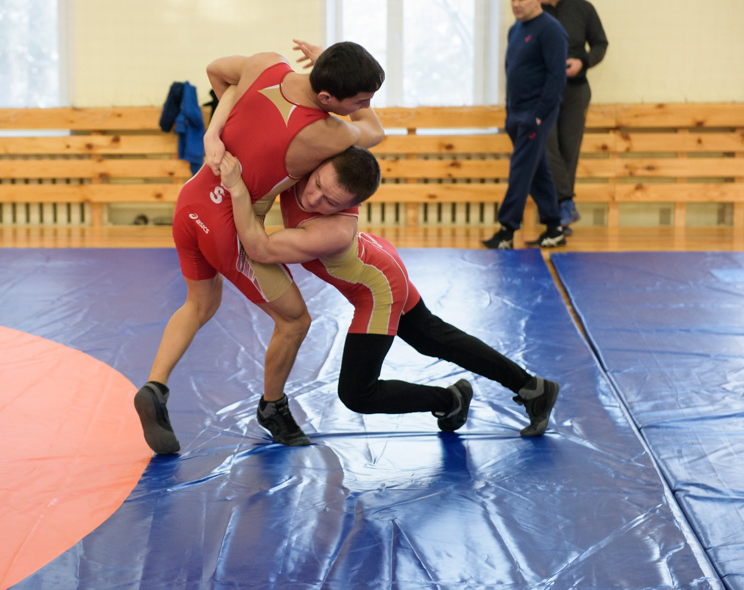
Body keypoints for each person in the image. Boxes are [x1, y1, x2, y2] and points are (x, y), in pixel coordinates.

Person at [134, 41, 385, 455]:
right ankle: (272, 407)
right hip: (228, 222)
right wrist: (348, 88)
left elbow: (217, 71)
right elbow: (374, 131)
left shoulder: (266, 63)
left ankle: (155, 386)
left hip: (191, 200)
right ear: (326, 98)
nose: (365, 103)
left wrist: (215, 132)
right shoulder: (326, 132)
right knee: (294, 322)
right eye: (359, 98)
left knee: (199, 303)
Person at [219, 148, 560, 437]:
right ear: (323, 165)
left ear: (347, 206)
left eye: (329, 201)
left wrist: (235, 187)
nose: (312, 198)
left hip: (377, 288)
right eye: (318, 184)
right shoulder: (320, 161)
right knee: (431, 337)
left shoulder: (333, 231)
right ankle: (533, 388)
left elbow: (260, 249)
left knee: (358, 394)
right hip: (375, 259)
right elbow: (356, 128)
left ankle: (449, 401)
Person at [483, 0, 569, 251]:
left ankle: (506, 230)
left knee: (520, 169)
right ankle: (554, 227)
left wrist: (540, 115)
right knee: (537, 169)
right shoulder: (515, 30)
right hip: (516, 112)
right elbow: (513, 70)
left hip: (536, 114)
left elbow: (557, 76)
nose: (515, 4)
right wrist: (510, 111)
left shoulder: (552, 30)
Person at [534, 0, 609, 233]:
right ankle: (565, 205)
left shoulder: (582, 8)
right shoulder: (535, 13)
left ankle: (561, 214)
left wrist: (583, 62)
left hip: (575, 89)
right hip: (544, 91)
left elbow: (601, 43)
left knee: (569, 150)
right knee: (548, 147)